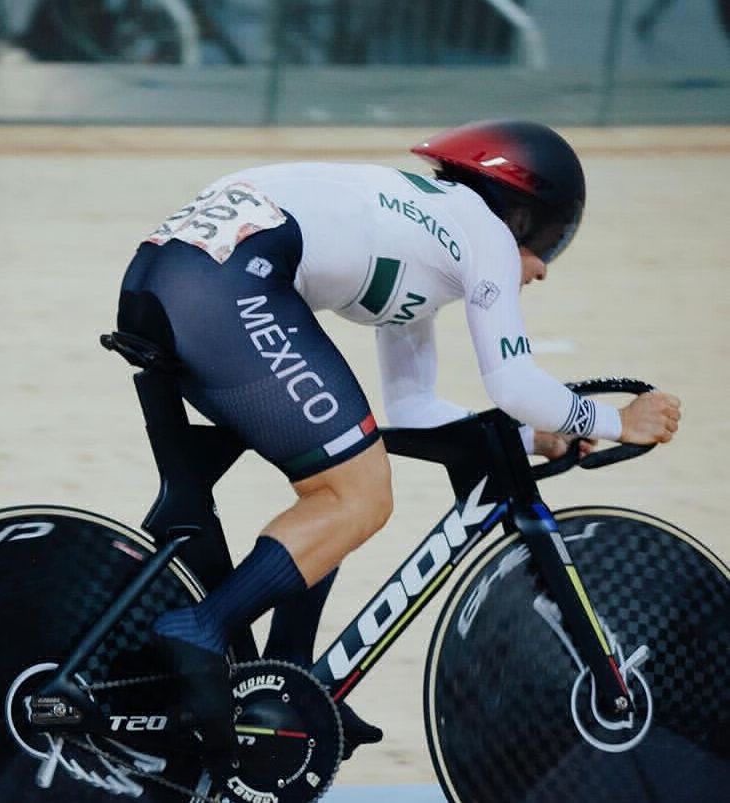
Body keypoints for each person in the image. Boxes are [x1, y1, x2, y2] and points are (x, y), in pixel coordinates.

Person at [115, 120, 681, 762]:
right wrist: (612, 422)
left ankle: (290, 678)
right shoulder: (483, 233)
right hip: (224, 287)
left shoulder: (420, 230)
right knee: (359, 495)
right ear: (519, 214)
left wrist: (534, 438)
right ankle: (201, 629)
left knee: (337, 478)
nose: (545, 268)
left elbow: (411, 412)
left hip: (177, 278)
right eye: (553, 239)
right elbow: (516, 382)